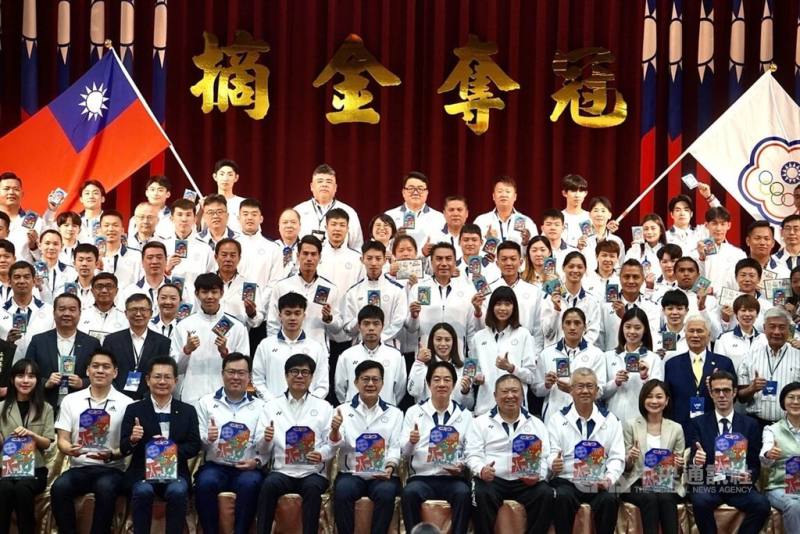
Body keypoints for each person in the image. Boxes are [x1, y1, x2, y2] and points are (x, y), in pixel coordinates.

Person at [50, 350, 134, 534]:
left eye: (106, 367)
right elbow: (62, 439)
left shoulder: (127, 404)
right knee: (59, 487)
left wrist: (112, 454)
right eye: (95, 366)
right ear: (87, 371)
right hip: (79, 467)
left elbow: (128, 445)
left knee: (105, 487)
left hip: (112, 468)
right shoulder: (71, 401)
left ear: (115, 372)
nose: (100, 371)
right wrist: (69, 449)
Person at [119, 356, 202, 534]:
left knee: (178, 491)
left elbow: (194, 445)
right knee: (143, 491)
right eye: (157, 377)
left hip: (176, 472)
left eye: (167, 377)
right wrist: (133, 439)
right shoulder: (134, 409)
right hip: (142, 471)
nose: (162, 381)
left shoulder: (188, 411)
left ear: (175, 381)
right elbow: (124, 447)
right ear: (148, 380)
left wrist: (168, 450)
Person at [465, 373, 554, 534]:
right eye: (505, 392)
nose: (510, 396)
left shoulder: (536, 424)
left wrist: (538, 475)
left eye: (514, 391)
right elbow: (472, 454)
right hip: (492, 480)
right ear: (495, 396)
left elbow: (545, 457)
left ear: (522, 394)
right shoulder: (480, 423)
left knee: (546, 493)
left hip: (526, 482)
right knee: (479, 493)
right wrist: (481, 470)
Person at [255, 354, 334, 534]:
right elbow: (261, 448)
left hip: (312, 471)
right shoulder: (271, 407)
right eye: (294, 371)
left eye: (305, 372)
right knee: (268, 485)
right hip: (282, 471)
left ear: (312, 377)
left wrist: (321, 454)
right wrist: (266, 439)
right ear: (286, 375)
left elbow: (331, 444)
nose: (299, 376)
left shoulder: (324, 407)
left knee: (313, 489)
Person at [687, 370, 770, 534]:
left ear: (734, 392)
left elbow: (754, 463)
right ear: (710, 393)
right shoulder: (698, 423)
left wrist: (749, 476)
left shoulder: (750, 424)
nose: (721, 395)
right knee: (700, 500)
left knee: (761, 505)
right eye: (717, 391)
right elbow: (692, 467)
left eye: (726, 390)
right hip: (709, 483)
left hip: (738, 485)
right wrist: (697, 462)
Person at [548, 368, 624, 534]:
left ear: (597, 390)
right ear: (571, 390)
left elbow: (617, 457)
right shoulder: (557, 419)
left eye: (590, 386)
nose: (585, 391)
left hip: (598, 482)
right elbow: (552, 451)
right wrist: (553, 462)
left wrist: (609, 479)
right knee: (561, 496)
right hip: (567, 480)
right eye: (580, 386)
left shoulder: (611, 420)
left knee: (610, 500)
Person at [195, 353, 264, 534]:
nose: (235, 377)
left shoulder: (261, 406)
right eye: (231, 372)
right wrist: (207, 439)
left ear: (249, 377)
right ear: (222, 373)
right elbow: (197, 441)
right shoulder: (206, 403)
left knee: (251, 483)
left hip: (247, 467)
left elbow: (265, 446)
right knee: (205, 482)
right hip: (216, 466)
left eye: (241, 373)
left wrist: (256, 462)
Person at [401, 361, 473, 533]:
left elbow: (471, 450)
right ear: (428, 383)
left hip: (452, 478)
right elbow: (404, 453)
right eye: (437, 380)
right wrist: (411, 441)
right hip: (422, 477)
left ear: (454, 384)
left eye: (447, 380)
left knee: (464, 494)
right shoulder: (413, 412)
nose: (442, 384)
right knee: (409, 493)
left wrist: (462, 465)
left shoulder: (465, 415)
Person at [331, 360, 402, 533]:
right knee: (342, 491)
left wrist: (390, 466)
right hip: (352, 473)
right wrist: (335, 430)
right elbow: (337, 445)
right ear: (356, 382)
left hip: (381, 473)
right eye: (365, 379)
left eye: (375, 379)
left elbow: (395, 446)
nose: (370, 384)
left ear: (382, 383)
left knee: (386, 493)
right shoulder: (342, 410)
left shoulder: (395, 413)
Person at [618, 380, 685, 534]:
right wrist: (630, 458)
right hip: (637, 481)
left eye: (659, 397)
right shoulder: (631, 425)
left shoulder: (676, 428)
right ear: (643, 400)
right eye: (649, 396)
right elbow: (626, 468)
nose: (654, 401)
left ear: (666, 400)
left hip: (666, 482)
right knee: (649, 497)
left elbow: (679, 470)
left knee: (666, 498)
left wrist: (678, 464)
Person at [172, 273, 250, 405]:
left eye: (214, 292)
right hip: (191, 397)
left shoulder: (237, 327)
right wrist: (187, 350)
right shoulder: (183, 326)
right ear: (197, 294)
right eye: (204, 292)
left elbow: (244, 369)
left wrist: (225, 353)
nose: (209, 297)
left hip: (224, 398)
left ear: (222, 293)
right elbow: (175, 369)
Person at [0, 359, 54, 534]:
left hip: (34, 469)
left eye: (31, 376)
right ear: (12, 379)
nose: (25, 380)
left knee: (23, 488)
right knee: (5, 488)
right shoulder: (1, 408)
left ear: (37, 380)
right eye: (20, 375)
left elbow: (47, 443)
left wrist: (32, 436)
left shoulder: (46, 408)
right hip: (6, 468)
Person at [405, 242, 483, 357]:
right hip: (426, 357)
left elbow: (473, 331)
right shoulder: (418, 288)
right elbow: (411, 329)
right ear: (431, 262)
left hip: (457, 358)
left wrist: (472, 361)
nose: (444, 263)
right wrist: (414, 316)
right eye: (439, 259)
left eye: (448, 259)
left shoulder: (467, 290)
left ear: (455, 262)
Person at [468, 287, 536, 415]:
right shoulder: (479, 337)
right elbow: (472, 371)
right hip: (485, 408)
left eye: (507, 304)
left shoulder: (524, 334)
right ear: (491, 307)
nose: (503, 308)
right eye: (498, 304)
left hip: (516, 409)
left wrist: (511, 368)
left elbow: (531, 376)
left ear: (514, 307)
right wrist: (476, 378)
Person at [267, 235, 343, 349]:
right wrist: (275, 349)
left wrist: (329, 319)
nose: (309, 258)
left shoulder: (331, 289)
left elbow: (337, 328)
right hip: (287, 348)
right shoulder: (282, 286)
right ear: (298, 256)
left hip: (318, 350)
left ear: (319, 257)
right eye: (305, 253)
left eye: (313, 254)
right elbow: (273, 323)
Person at [26, 293, 101, 407]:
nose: (67, 313)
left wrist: (82, 382)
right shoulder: (38, 341)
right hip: (43, 405)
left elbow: (100, 374)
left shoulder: (92, 343)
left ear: (79, 313)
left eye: (72, 309)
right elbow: (26, 372)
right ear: (54, 313)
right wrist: (46, 382)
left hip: (80, 406)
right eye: (62, 309)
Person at [252, 292, 328, 400]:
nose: (292, 318)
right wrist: (273, 403)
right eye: (288, 313)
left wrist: (309, 404)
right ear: (280, 315)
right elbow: (258, 380)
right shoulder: (266, 345)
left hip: (307, 412)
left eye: (297, 313)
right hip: (273, 409)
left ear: (304, 316)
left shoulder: (316, 347)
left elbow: (323, 385)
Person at [664, 314, 735, 428]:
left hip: (714, 426)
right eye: (691, 331)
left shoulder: (724, 363)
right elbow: (667, 399)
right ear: (685, 334)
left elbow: (733, 396)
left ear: (708, 335)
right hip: (680, 426)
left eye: (700, 331)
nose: (695, 335)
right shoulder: (672, 364)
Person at [534, 307, 606, 419]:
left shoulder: (596, 354)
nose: (572, 327)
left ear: (585, 327)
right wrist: (546, 385)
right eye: (568, 323)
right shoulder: (546, 353)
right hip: (553, 413)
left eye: (577, 323)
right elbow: (536, 390)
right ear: (562, 326)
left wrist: (574, 391)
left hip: (585, 414)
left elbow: (600, 390)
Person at [738, 307, 800, 428]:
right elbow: (741, 398)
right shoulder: (750, 357)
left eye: (782, 327)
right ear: (764, 328)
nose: (777, 332)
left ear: (789, 329)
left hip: (791, 425)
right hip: (756, 424)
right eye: (772, 326)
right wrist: (752, 388)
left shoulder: (798, 356)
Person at [102, 293, 172, 400]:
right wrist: (116, 394)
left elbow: (162, 372)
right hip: (115, 397)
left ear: (151, 313)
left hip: (150, 399)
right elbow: (107, 370)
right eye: (134, 309)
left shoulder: (163, 342)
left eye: (143, 309)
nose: (138, 314)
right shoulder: (112, 340)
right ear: (125, 313)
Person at [602, 307, 664, 423]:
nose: (632, 332)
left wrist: (645, 377)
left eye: (637, 328)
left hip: (641, 421)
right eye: (628, 327)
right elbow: (600, 393)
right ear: (622, 328)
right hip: (612, 421)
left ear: (645, 329)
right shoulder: (608, 356)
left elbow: (657, 395)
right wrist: (616, 382)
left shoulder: (653, 358)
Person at [335, 305, 407, 405]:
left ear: (383, 326)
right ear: (359, 326)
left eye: (376, 324)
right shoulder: (347, 355)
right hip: (353, 415)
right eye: (366, 324)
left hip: (386, 414)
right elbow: (340, 389)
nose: (371, 328)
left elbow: (400, 390)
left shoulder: (396, 356)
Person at [343, 240, 408, 345]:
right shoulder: (353, 292)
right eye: (369, 258)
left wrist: (379, 339)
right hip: (360, 347)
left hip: (388, 346)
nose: (373, 263)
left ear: (385, 260)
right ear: (362, 259)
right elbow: (348, 329)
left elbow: (399, 322)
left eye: (378, 259)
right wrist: (359, 318)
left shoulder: (397, 290)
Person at [490, 240, 545, 353]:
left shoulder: (534, 291)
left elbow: (538, 328)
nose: (509, 263)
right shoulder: (489, 291)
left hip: (525, 350)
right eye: (504, 259)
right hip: (495, 349)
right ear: (497, 263)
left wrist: (535, 355)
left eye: (513, 259)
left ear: (520, 262)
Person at [760, 381, 800, 533]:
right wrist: (769, 455)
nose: (796, 402)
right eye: (791, 397)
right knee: (794, 504)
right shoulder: (772, 430)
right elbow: (764, 458)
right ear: (783, 402)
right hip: (779, 488)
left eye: (799, 398)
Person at [540, 251, 601, 346]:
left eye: (580, 267)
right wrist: (556, 310)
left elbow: (593, 332)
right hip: (555, 354)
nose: (575, 270)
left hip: (582, 355)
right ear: (563, 268)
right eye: (571, 266)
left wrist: (575, 348)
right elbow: (548, 334)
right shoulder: (551, 298)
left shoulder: (592, 301)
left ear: (585, 270)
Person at [598, 259, 661, 351]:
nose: (631, 281)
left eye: (635, 277)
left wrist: (624, 317)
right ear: (619, 278)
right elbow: (599, 341)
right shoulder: (605, 306)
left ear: (643, 279)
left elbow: (650, 337)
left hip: (642, 361)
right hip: (612, 361)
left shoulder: (652, 307)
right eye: (626, 277)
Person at [295, 163, 363, 247]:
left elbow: (357, 246)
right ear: (312, 186)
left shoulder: (349, 212)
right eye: (320, 181)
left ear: (335, 188)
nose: (324, 185)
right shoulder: (298, 211)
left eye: (329, 182)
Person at [407, 322, 473, 408]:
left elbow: (469, 405)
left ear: (454, 342)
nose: (443, 344)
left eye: (447, 340)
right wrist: (419, 362)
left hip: (455, 418)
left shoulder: (465, 368)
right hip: (426, 417)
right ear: (432, 341)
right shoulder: (422, 365)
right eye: (438, 339)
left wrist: (466, 392)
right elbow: (413, 392)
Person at [0, 261, 55, 358]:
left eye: (26, 277)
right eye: (17, 277)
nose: (22, 281)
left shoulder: (49, 311)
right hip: (8, 369)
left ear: (34, 281)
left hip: (39, 369)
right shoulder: (1, 311)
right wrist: (7, 342)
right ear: (9, 281)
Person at [385, 171, 445, 252]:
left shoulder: (439, 218)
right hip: (398, 263)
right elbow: (380, 247)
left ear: (427, 193)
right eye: (411, 188)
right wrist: (393, 239)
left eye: (420, 189)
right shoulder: (389, 216)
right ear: (403, 192)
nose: (415, 192)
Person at [214, 238, 266, 330]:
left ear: (239, 258)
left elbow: (257, 321)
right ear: (216, 257)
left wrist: (252, 313)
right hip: (208, 336)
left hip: (238, 338)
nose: (228, 259)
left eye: (233, 255)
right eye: (224, 255)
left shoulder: (248, 286)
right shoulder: (207, 282)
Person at [693, 206, 747, 294]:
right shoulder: (695, 253)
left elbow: (740, 285)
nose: (718, 228)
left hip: (730, 303)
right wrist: (701, 258)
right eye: (714, 223)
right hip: (704, 304)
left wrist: (715, 291)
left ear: (729, 225)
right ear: (706, 225)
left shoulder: (739, 254)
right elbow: (696, 286)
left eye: (722, 224)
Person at [473, 175, 537, 247]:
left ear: (515, 197)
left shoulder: (527, 222)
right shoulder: (481, 221)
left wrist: (526, 242)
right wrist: (489, 241)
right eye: (500, 191)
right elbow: (473, 251)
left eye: (508, 191)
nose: (503, 195)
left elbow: (536, 250)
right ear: (493, 196)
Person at [236, 198, 283, 290]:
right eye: (245, 214)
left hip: (263, 302)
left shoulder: (273, 248)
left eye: (254, 214)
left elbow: (276, 281)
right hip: (233, 301)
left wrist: (260, 301)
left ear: (261, 219)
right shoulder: (229, 246)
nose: (249, 217)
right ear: (238, 218)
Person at [117, 241, 174, 313]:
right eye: (150, 258)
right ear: (142, 262)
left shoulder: (178, 290)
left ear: (166, 261)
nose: (154, 261)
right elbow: (120, 319)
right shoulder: (129, 292)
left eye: (159, 257)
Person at [714, 294, 764, 371]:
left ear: (757, 314)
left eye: (751, 310)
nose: (747, 314)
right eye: (743, 310)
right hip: (733, 382)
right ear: (736, 314)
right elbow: (720, 369)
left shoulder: (765, 339)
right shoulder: (723, 339)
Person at [78, 272, 129, 343]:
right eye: (99, 287)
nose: (104, 290)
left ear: (116, 291)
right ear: (92, 291)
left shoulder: (125, 318)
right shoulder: (81, 315)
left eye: (109, 286)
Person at [97, 210, 141, 288]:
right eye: (106, 225)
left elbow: (139, 284)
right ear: (99, 230)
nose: (111, 229)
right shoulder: (92, 257)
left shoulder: (136, 256)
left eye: (115, 225)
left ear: (122, 230)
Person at [624, 213, 666, 279]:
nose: (649, 232)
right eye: (646, 229)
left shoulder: (668, 251)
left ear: (661, 231)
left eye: (653, 228)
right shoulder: (634, 250)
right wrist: (635, 249)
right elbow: (627, 271)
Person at [653, 289, 690, 361]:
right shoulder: (653, 335)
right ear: (663, 310)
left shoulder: (693, 335)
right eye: (670, 309)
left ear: (686, 311)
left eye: (679, 309)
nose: (675, 312)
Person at [211, 159, 246, 233]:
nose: (225, 178)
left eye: (230, 174)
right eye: (222, 174)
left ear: (236, 178)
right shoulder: (207, 203)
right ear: (215, 177)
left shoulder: (244, 203)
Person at [560, 173, 590, 248]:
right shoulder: (558, 218)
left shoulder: (590, 217)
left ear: (585, 193)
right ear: (564, 193)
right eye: (573, 190)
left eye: (581, 191)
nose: (577, 195)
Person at [76, 180, 106, 244]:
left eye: (95, 193)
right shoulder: (75, 221)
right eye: (87, 193)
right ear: (81, 199)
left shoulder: (110, 221)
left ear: (103, 199)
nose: (91, 196)